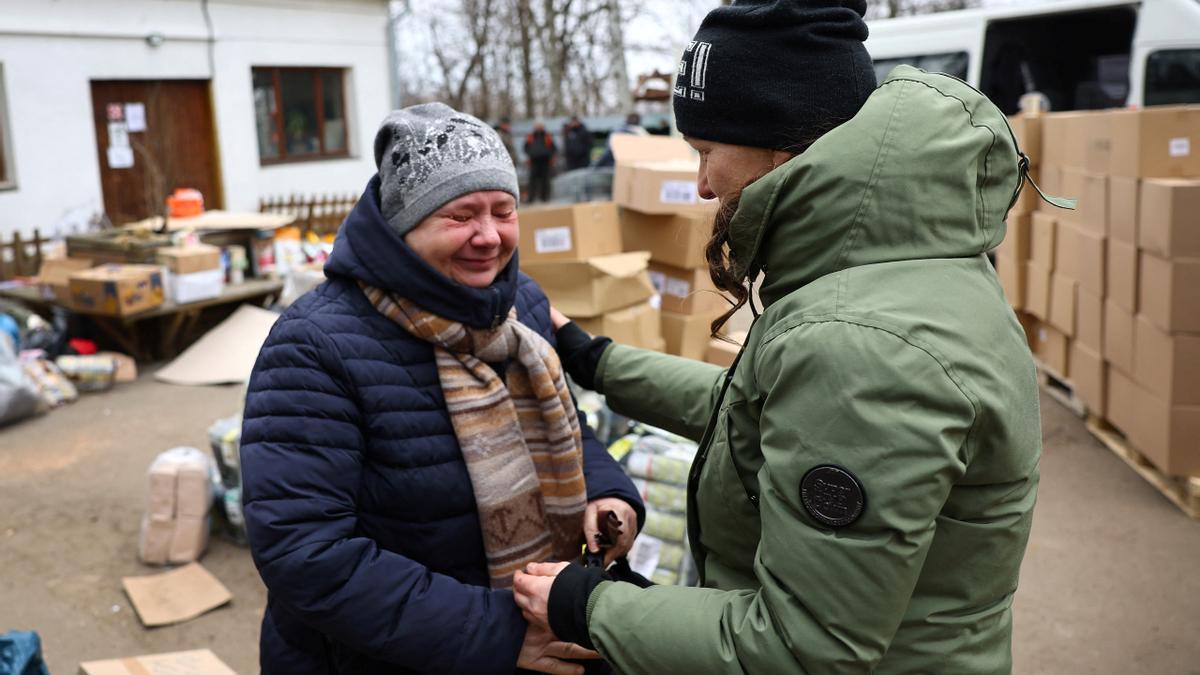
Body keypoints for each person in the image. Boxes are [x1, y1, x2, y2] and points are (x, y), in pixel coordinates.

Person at [513, 1, 1048, 672]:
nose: (702, 183)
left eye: (708, 151)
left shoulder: (857, 342)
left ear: (782, 142)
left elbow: (800, 647)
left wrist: (589, 606)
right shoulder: (904, 265)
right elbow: (762, 415)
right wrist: (598, 360)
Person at [240, 102, 644, 675]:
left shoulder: (519, 304)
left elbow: (570, 431)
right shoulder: (315, 345)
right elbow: (305, 553)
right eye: (459, 215)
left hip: (545, 623)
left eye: (503, 210)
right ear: (403, 226)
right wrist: (499, 634)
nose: (488, 236)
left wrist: (610, 496)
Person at [524, 121, 557, 203]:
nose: (538, 128)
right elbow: (525, 147)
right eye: (537, 126)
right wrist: (531, 153)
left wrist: (548, 154)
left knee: (545, 180)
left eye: (540, 126)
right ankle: (531, 198)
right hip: (534, 162)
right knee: (532, 181)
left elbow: (553, 148)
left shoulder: (547, 136)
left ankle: (545, 197)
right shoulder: (531, 136)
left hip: (545, 162)